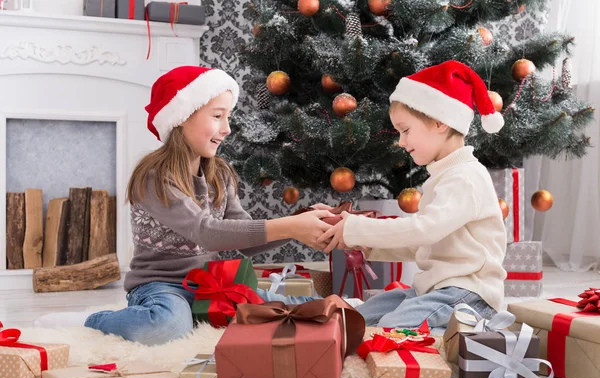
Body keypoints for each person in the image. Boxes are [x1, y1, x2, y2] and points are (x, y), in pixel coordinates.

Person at [34, 66, 335, 344]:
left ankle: (347, 307)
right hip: (160, 285)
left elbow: (248, 243)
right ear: (182, 117)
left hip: (210, 285)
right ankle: (90, 321)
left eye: (228, 116)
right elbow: (205, 231)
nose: (227, 128)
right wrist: (290, 226)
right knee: (166, 327)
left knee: (277, 310)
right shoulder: (154, 177)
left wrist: (299, 223)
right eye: (218, 116)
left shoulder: (221, 174)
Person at [318, 60, 508, 328]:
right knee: (358, 318)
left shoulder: (465, 177)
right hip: (435, 290)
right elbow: (422, 244)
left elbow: (424, 230)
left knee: (392, 327)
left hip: (468, 293)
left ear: (440, 122)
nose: (401, 142)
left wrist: (356, 227)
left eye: (406, 130)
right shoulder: (443, 176)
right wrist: (362, 243)